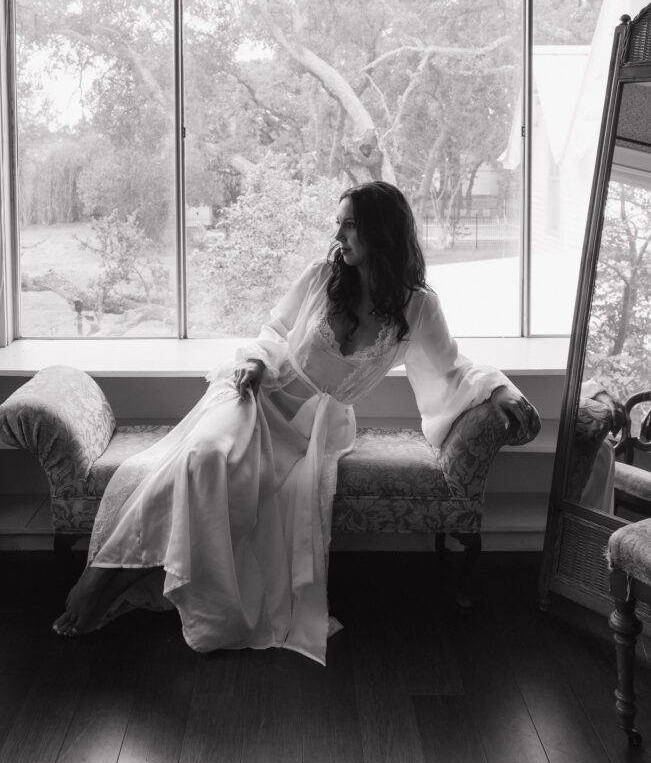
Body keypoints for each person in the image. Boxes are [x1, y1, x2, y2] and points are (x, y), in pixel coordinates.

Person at [52, 181, 535, 664]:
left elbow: (452, 369)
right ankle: (100, 575)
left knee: (231, 485)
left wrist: (499, 387)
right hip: (256, 394)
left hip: (312, 429)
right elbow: (275, 332)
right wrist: (257, 361)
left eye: (350, 223)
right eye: (339, 222)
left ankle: (124, 579)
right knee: (204, 457)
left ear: (381, 231)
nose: (339, 233)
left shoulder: (418, 307)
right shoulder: (322, 276)